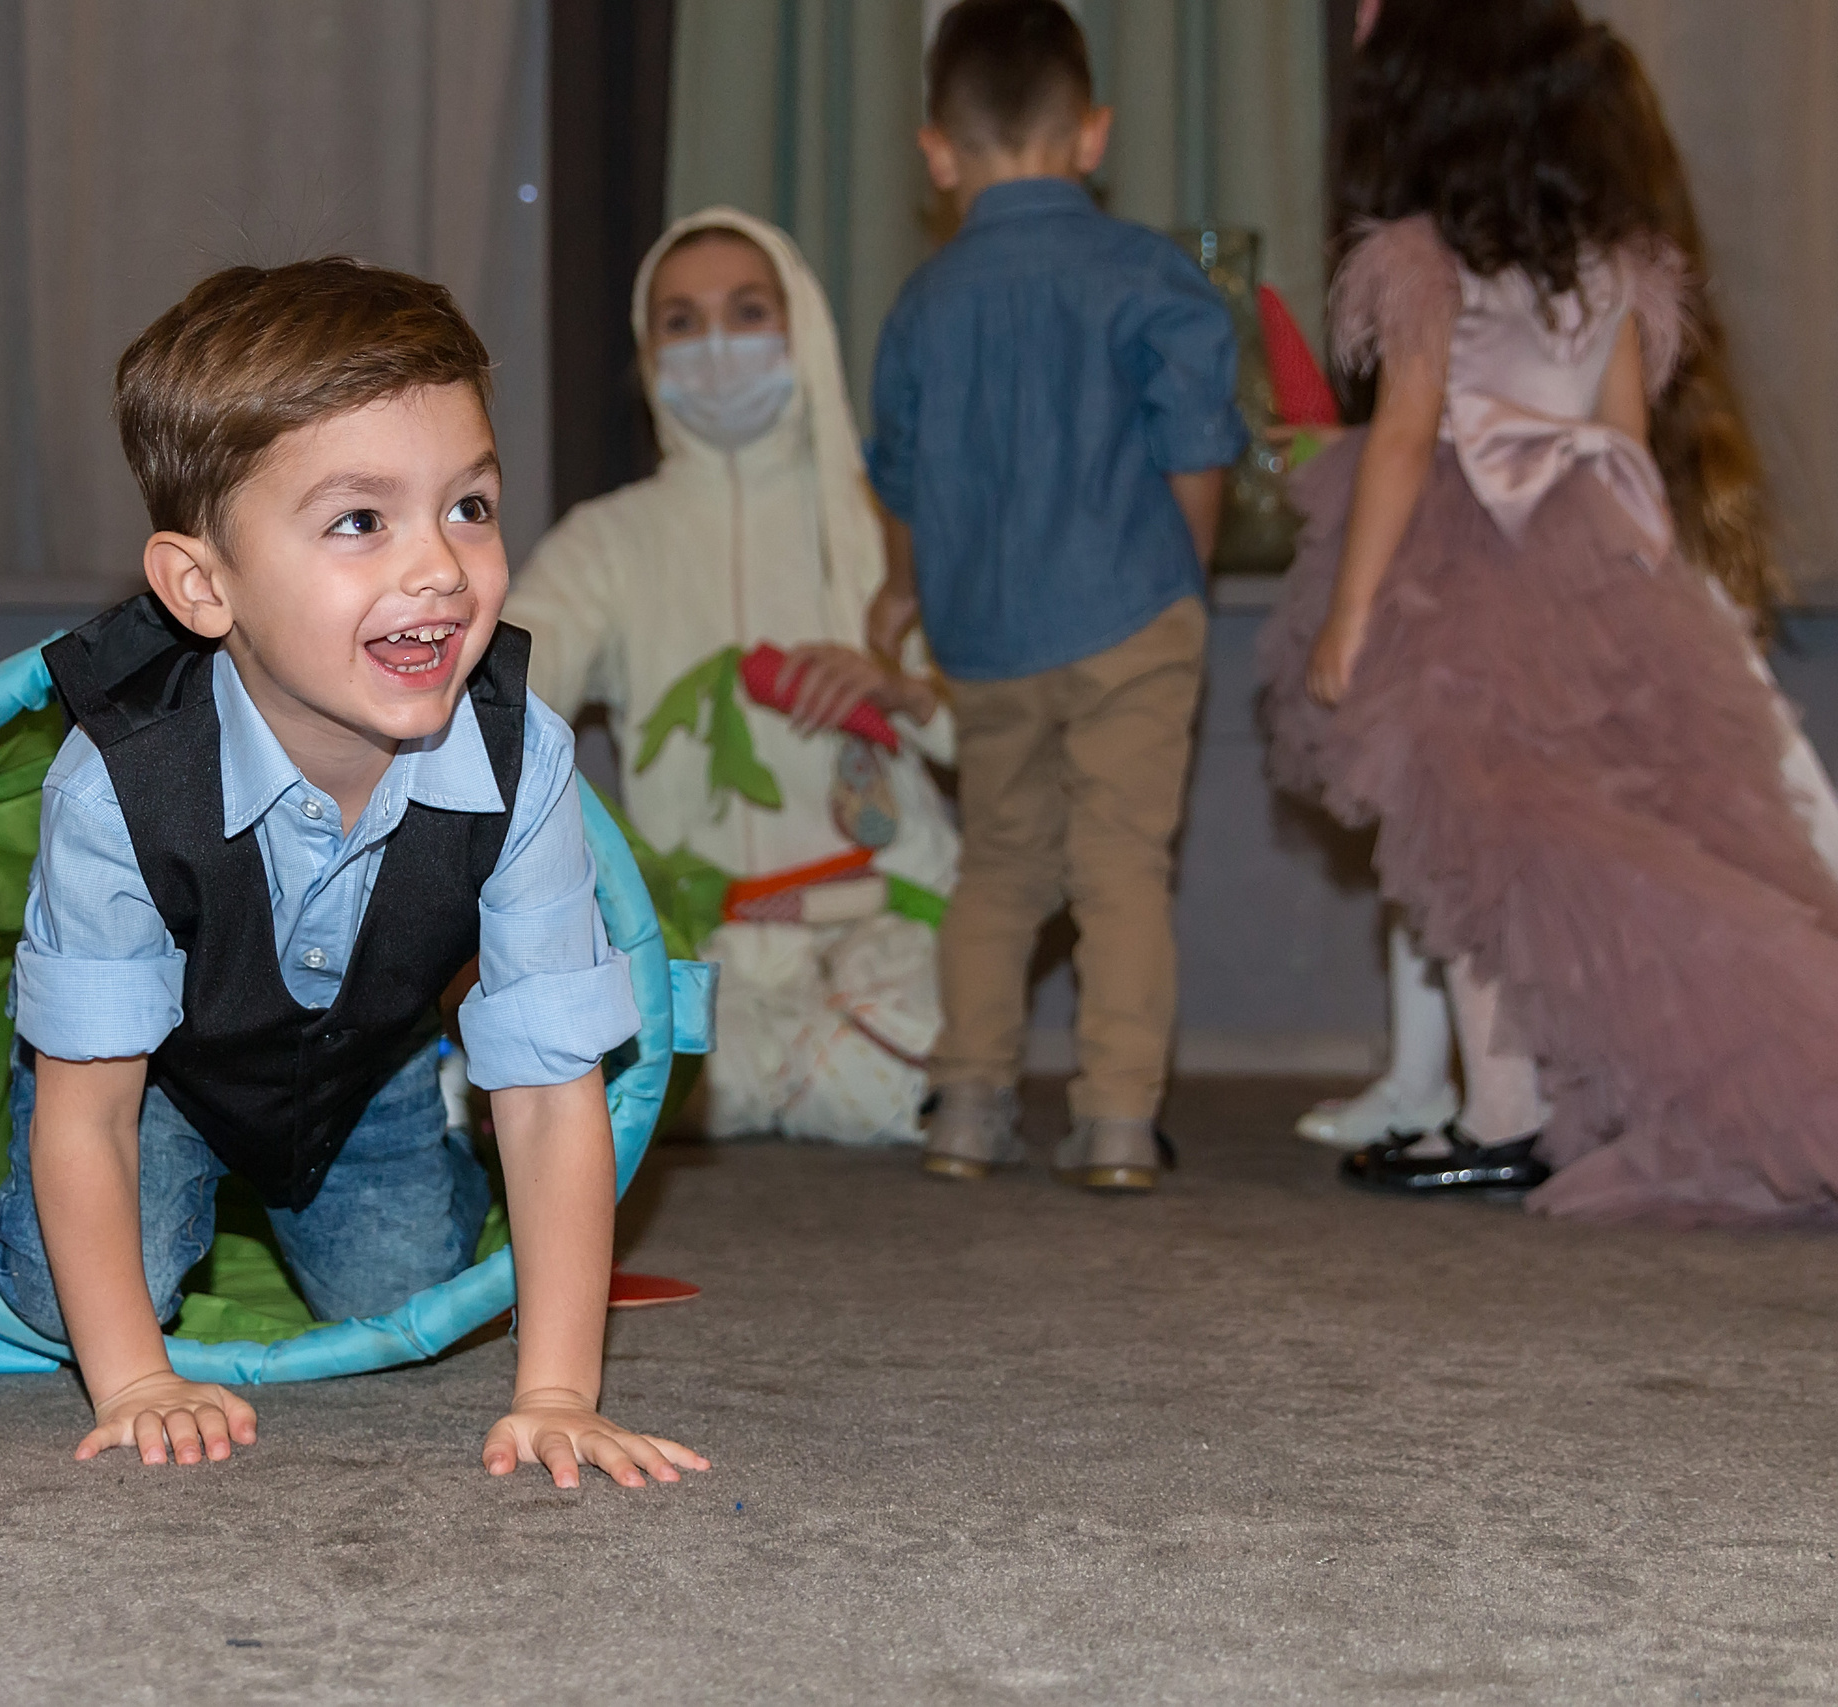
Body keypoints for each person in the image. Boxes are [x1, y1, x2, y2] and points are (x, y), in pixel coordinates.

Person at [0, 257, 711, 1482]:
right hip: (157, 1080)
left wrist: (559, 1395)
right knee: (74, 1298)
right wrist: (137, 1380)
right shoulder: (119, 781)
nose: (440, 569)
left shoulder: (521, 754)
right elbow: (93, 1115)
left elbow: (550, 1095)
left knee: (404, 1295)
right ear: (202, 586)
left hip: (361, 1070)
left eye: (469, 506)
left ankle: (427, 1102)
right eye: (361, 521)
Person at [1258, 0, 1838, 1222]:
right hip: (1593, 573)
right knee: (1558, 845)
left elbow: (1401, 441)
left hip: (1459, 576)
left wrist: (1350, 612)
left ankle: (1501, 1116)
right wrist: (1648, 612)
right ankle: (1535, 1106)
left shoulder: (1420, 260)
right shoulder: (1613, 266)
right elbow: (1622, 450)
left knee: (1474, 842)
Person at [865, 0, 1246, 1192]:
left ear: (938, 153)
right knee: (1119, 866)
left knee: (998, 866)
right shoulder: (1148, 274)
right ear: (1092, 134)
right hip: (1130, 610)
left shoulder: (922, 303)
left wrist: (900, 589)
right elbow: (1197, 446)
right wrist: (1185, 574)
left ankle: (969, 1106)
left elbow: (901, 475)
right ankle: (1120, 1118)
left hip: (985, 635)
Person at [505, 208, 960, 1147]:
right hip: (698, 936)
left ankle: (752, 1083)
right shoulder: (610, 539)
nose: (716, 344)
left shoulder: (892, 525)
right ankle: (770, 1073)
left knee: (927, 1052)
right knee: (575, 1055)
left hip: (878, 922)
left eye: (748, 311)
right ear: (649, 353)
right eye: (682, 321)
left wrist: (899, 689)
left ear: (802, 328)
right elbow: (509, 693)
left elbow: (995, 732)